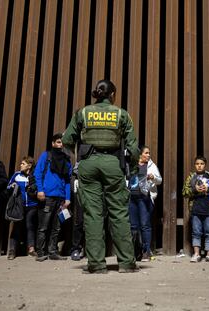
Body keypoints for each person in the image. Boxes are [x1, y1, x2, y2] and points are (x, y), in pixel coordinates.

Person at [62, 79, 139, 274]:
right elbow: (133, 147)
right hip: (113, 164)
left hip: (88, 164)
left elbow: (66, 140)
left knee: (93, 214)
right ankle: (126, 263)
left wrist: (77, 160)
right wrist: (133, 169)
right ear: (112, 95)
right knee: (119, 213)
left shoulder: (83, 112)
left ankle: (96, 264)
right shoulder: (121, 114)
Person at [34, 133, 72, 261]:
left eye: (62, 143)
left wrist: (67, 198)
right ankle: (40, 252)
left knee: (57, 227)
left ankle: (52, 251)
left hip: (60, 198)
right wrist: (40, 190)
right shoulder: (46, 156)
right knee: (43, 226)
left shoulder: (66, 160)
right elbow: (37, 173)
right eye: (59, 142)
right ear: (53, 143)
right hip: (47, 197)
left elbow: (67, 180)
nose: (61, 145)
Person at [129, 145, 162, 261]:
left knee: (145, 225)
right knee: (133, 226)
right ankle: (134, 252)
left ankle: (146, 252)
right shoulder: (132, 165)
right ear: (140, 154)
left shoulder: (151, 166)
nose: (148, 155)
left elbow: (159, 180)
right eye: (146, 153)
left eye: (149, 153)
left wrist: (153, 177)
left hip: (144, 198)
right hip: (131, 198)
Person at [182, 155, 209, 262]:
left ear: (205, 165)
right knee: (196, 232)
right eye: (197, 164)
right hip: (195, 208)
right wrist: (194, 189)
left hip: (208, 208)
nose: (199, 166)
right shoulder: (191, 177)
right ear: (195, 165)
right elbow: (184, 192)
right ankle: (196, 254)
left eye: (201, 164)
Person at [6, 156, 38, 259]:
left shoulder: (34, 176)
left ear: (29, 166)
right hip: (19, 206)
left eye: (23, 164)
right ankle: (12, 251)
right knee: (16, 227)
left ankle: (31, 249)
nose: (20, 165)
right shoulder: (16, 175)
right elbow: (8, 186)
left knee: (30, 226)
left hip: (32, 205)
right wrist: (12, 186)